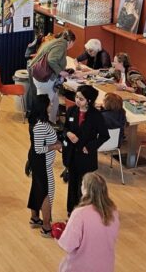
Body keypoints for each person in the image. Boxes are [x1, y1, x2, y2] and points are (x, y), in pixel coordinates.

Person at [58, 172, 119, 272]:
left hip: (80, 268)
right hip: (105, 267)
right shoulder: (113, 212)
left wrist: (60, 234)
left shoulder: (79, 214)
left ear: (86, 190)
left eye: (82, 184)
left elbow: (68, 245)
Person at [63, 85, 108, 215]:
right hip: (72, 155)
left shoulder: (96, 116)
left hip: (86, 157)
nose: (77, 100)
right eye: (76, 97)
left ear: (89, 100)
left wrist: (90, 147)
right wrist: (68, 133)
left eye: (81, 99)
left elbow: (104, 136)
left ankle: (84, 213)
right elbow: (65, 128)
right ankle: (71, 211)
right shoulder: (71, 110)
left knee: (84, 187)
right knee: (72, 184)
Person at [27, 94, 61, 235]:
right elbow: (39, 149)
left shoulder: (36, 121)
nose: (51, 105)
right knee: (47, 193)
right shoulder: (41, 126)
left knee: (37, 189)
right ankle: (46, 227)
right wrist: (55, 146)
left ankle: (35, 218)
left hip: (38, 163)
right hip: (43, 165)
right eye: (49, 103)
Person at [29, 30, 77, 123]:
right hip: (45, 78)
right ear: (70, 41)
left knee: (54, 101)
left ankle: (50, 121)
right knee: (47, 103)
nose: (72, 46)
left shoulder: (55, 41)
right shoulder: (62, 45)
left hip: (38, 74)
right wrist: (61, 72)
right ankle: (43, 123)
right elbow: (51, 60)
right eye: (73, 44)